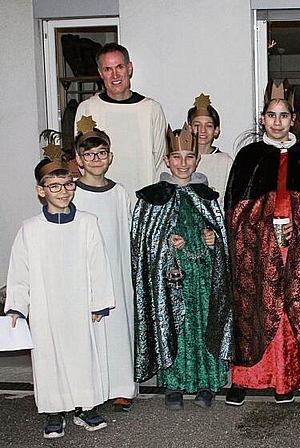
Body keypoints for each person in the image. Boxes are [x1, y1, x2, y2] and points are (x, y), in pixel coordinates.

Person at [224, 82, 300, 406]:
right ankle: (244, 377)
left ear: (293, 118)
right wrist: (266, 217)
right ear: (262, 118)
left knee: (289, 311)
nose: (277, 121)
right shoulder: (248, 157)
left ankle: (285, 379)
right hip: (257, 250)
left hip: (296, 249)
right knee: (252, 308)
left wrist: (297, 220)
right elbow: (233, 210)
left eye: (283, 115)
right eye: (271, 115)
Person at [5, 151, 115, 438]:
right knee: (48, 356)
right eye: (54, 186)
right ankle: (54, 411)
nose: (63, 191)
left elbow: (98, 263)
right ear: (41, 191)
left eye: (68, 184)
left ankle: (85, 407)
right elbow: (19, 271)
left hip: (79, 304)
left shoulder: (87, 223)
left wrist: (99, 302)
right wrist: (17, 307)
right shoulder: (30, 229)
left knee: (83, 354)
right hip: (46, 306)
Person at [131, 124, 234, 410]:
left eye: (189, 157)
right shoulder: (151, 199)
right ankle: (173, 384)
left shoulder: (209, 197)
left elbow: (224, 241)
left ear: (198, 159)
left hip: (202, 280)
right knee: (174, 326)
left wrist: (214, 243)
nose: (183, 163)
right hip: (170, 281)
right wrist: (166, 245)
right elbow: (143, 246)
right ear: (166, 161)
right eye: (176, 157)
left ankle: (207, 382)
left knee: (203, 326)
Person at [72, 115, 137, 412]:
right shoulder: (72, 194)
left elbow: (129, 231)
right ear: (79, 159)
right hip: (86, 273)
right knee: (90, 332)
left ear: (110, 156)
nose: (96, 159)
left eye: (101, 153)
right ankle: (91, 388)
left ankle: (122, 386)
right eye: (89, 154)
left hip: (117, 270)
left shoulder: (119, 192)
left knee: (119, 326)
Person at [75, 42, 167, 200]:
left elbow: (160, 159)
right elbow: (83, 159)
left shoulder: (151, 109)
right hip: (102, 199)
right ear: (100, 73)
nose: (115, 75)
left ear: (129, 68)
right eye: (107, 69)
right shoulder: (87, 109)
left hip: (143, 199)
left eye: (119, 67)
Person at [187, 93, 233, 204]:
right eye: (197, 125)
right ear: (189, 128)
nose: (202, 130)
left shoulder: (225, 161)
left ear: (216, 130)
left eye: (208, 125)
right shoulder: (178, 160)